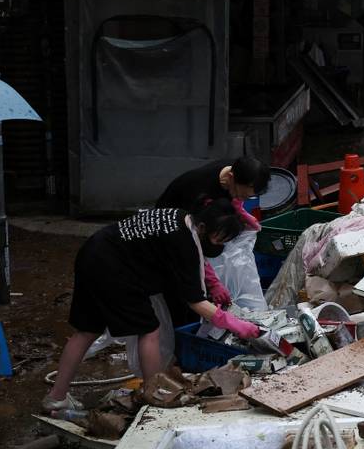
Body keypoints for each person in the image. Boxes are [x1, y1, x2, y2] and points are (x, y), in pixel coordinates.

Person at [43, 200, 260, 412]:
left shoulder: (182, 217)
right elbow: (195, 302)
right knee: (148, 329)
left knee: (87, 330)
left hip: (94, 252)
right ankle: (153, 397)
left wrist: (213, 282)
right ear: (203, 228)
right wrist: (236, 324)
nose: (219, 246)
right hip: (114, 269)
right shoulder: (183, 241)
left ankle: (56, 398)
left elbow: (195, 259)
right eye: (217, 240)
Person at [157, 157, 270, 312]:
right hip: (169, 231)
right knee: (183, 292)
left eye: (246, 197)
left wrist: (241, 212)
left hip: (195, 226)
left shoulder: (236, 172)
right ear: (231, 178)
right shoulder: (197, 190)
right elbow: (193, 242)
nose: (242, 198)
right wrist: (213, 282)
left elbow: (234, 197)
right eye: (241, 195)